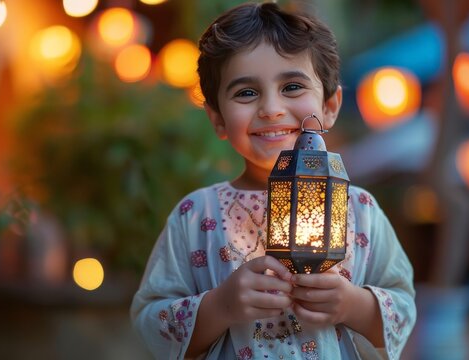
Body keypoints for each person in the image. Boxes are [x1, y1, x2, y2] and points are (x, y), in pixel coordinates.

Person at [130, 2, 416, 359]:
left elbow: (402, 304)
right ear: (218, 118)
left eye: (292, 86)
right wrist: (221, 306)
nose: (270, 108)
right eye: (246, 93)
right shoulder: (194, 215)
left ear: (329, 106)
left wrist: (353, 305)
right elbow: (150, 318)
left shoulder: (360, 209)